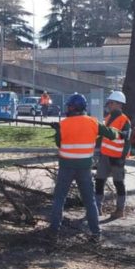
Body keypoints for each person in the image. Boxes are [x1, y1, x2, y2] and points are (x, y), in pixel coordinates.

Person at [49, 93, 119, 243]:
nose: (67, 108)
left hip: (66, 166)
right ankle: (96, 232)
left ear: (74, 108)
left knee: (59, 199)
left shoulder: (64, 124)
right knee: (89, 201)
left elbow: (59, 143)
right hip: (84, 168)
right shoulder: (93, 123)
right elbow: (112, 134)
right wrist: (116, 131)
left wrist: (57, 130)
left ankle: (54, 231)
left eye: (69, 106)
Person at [95, 90, 132, 219]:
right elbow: (103, 136)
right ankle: (97, 208)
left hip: (117, 158)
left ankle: (120, 210)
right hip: (105, 155)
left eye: (111, 103)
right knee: (99, 181)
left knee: (118, 183)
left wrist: (122, 158)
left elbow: (127, 142)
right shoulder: (108, 118)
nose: (109, 105)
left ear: (119, 104)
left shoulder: (124, 121)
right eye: (109, 103)